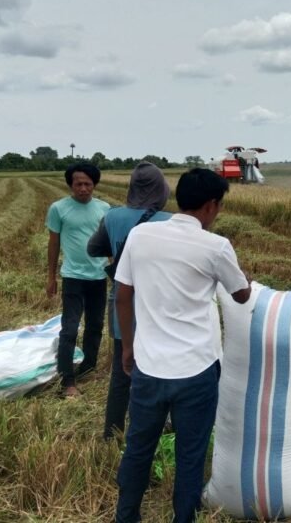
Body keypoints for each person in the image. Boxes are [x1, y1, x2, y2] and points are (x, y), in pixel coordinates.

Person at [114, 167, 252, 523]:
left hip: (148, 366)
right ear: (210, 205)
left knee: (138, 448)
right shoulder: (216, 246)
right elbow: (241, 295)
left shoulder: (140, 236)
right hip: (197, 369)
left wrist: (128, 347)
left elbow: (122, 296)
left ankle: (126, 515)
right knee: (190, 455)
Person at [87, 161, 172, 440]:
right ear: (161, 189)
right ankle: (155, 428)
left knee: (121, 373)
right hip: (158, 306)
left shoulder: (113, 217)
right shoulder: (169, 221)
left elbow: (94, 248)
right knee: (161, 369)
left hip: (121, 305)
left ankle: (112, 434)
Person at [46, 162, 112, 398]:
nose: (83, 188)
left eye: (87, 184)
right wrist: (51, 277)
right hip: (73, 276)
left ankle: (88, 367)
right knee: (70, 328)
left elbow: (110, 244)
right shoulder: (58, 209)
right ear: (70, 185)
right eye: (78, 184)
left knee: (95, 326)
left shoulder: (104, 209)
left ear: (94, 184)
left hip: (98, 276)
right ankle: (68, 380)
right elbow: (53, 244)